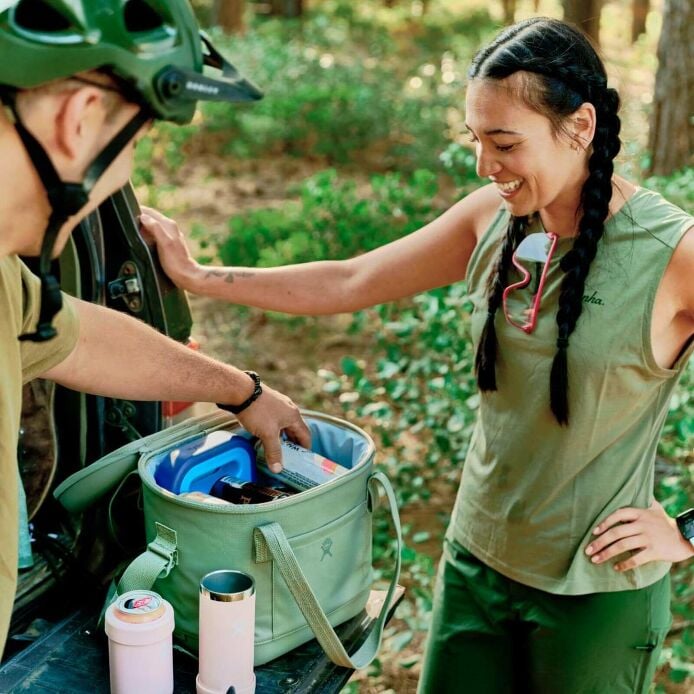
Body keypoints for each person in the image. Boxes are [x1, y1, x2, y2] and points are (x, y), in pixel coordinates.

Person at [143, 16, 694, 692]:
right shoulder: (491, 220)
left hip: (595, 596)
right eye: (475, 139)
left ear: (579, 127)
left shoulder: (671, 254)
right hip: (475, 569)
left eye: (504, 142)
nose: (483, 165)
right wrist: (203, 276)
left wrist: (687, 529)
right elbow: (351, 280)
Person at [0, 0, 311, 658]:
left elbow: (78, 336)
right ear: (78, 120)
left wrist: (242, 392)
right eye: (134, 146)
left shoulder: (6, 284)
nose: (127, 176)